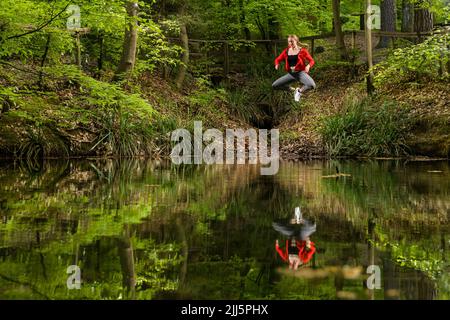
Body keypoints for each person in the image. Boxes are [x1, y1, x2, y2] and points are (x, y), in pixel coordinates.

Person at [272, 35, 316, 102]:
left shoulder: (302, 51)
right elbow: (277, 59)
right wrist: (276, 64)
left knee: (312, 85)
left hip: (300, 73)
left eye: (292, 41)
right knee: (275, 85)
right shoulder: (286, 51)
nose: (291, 43)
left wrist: (308, 66)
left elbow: (312, 61)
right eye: (289, 42)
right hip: (291, 74)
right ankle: (294, 90)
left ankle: (299, 91)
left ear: (296, 41)